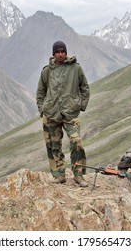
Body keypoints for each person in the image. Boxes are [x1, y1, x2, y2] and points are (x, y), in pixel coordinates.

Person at [36, 41, 90, 187]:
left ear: (66, 53)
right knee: (53, 145)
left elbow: (84, 88)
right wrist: (42, 109)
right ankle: (59, 175)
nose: (60, 54)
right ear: (53, 54)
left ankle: (79, 175)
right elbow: (40, 92)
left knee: (76, 141)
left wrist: (80, 105)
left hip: (70, 113)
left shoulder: (75, 68)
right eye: (57, 52)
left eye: (62, 51)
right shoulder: (47, 71)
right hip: (51, 113)